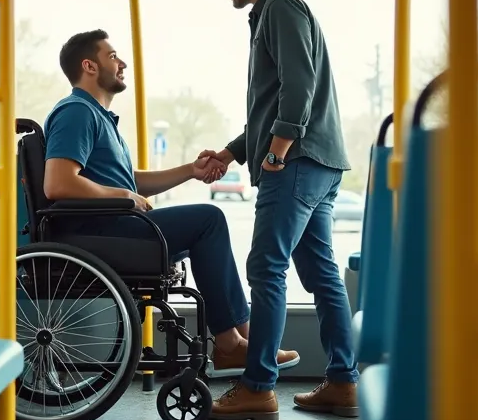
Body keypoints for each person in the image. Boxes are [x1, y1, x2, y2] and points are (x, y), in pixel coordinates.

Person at [41, 28, 300, 376]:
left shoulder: (97, 117)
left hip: (115, 227)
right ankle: (232, 344)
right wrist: (122, 196)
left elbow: (132, 182)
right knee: (207, 221)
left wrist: (190, 171)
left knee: (206, 221)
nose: (122, 63)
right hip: (100, 234)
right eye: (112, 56)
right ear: (89, 66)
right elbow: (58, 183)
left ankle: (243, 341)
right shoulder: (76, 112)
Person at [197, 0, 358, 420]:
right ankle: (344, 382)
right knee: (320, 273)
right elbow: (270, 105)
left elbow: (299, 84)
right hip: (321, 162)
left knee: (266, 266)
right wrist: (230, 152)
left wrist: (278, 151)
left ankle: (257, 386)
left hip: (297, 161)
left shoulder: (281, 6)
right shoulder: (271, 13)